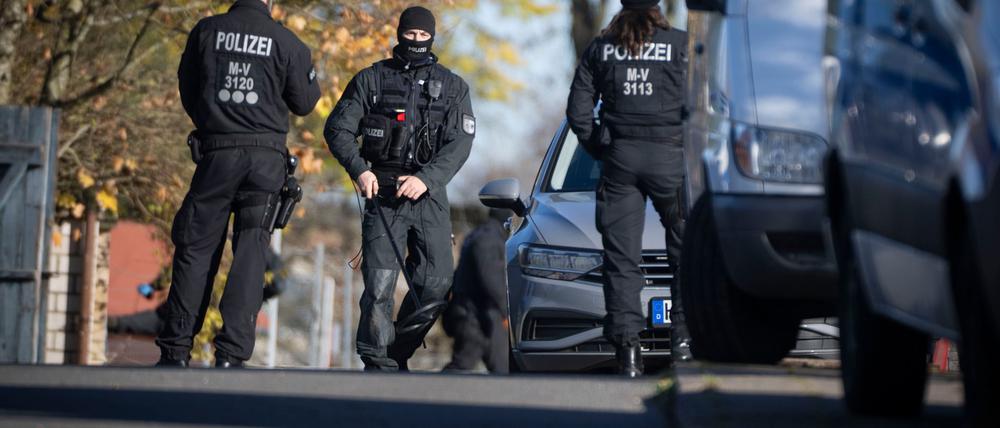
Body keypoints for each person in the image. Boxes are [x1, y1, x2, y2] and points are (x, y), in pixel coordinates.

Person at [156, 0, 320, 368]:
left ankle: (176, 350)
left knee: (196, 249)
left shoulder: (206, 31)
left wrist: (213, 123)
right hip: (264, 163)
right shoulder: (286, 42)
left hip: (216, 155)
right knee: (250, 253)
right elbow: (306, 102)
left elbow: (188, 88)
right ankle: (230, 354)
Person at [324, 6, 475, 372]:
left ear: (432, 37)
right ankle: (377, 362)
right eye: (411, 34)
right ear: (399, 34)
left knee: (436, 283)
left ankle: (396, 351)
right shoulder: (371, 80)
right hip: (382, 193)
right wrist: (360, 171)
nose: (416, 41)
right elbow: (338, 129)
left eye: (423, 36)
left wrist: (426, 179)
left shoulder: (454, 87)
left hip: (429, 194)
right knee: (379, 285)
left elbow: (459, 145)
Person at [566, 0, 690, 377]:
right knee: (686, 251)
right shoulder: (681, 44)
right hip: (671, 159)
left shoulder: (601, 47)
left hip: (620, 159)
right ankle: (683, 343)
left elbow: (578, 112)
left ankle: (628, 352)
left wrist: (601, 148)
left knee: (621, 260)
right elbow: (703, 102)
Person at [110, 250, 286, 337]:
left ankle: (115, 323)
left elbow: (278, 285)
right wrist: (154, 286)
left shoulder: (256, 253)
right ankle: (113, 324)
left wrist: (153, 287)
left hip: (199, 310)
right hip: (193, 309)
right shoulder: (248, 247)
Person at [442, 209, 509, 374]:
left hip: (473, 312)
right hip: (477, 315)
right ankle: (428, 388)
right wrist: (507, 310)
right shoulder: (489, 239)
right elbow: (491, 279)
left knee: (500, 368)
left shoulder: (478, 234)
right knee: (464, 364)